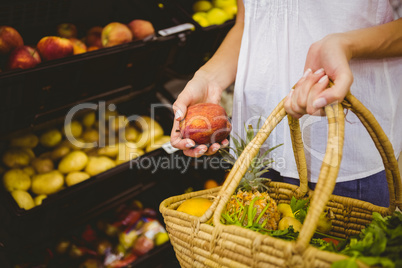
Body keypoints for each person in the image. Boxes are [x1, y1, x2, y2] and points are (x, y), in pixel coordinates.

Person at [170, 0, 402, 207]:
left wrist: (346, 45)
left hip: (343, 151)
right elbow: (248, 23)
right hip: (258, 147)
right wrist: (208, 79)